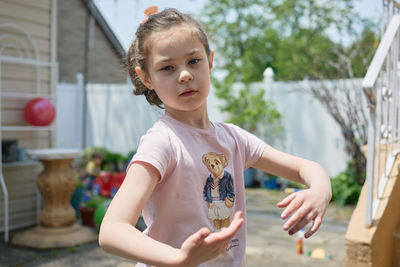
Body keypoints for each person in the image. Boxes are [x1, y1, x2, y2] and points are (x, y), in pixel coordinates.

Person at [99, 6, 332, 267]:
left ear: (210, 61)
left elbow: (305, 168)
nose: (185, 74)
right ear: (146, 78)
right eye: (167, 68)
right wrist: (180, 258)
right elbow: (111, 230)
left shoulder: (234, 139)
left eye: (193, 61)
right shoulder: (162, 143)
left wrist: (321, 189)